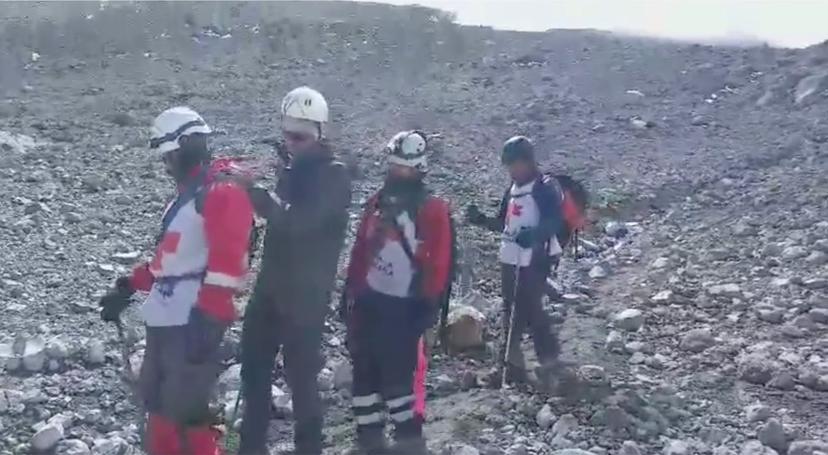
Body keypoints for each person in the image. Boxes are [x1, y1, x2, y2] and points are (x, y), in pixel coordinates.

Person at [99, 107, 254, 455]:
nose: (166, 166)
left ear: (187, 145)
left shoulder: (221, 192)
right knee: (159, 406)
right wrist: (128, 286)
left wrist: (209, 319)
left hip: (192, 322)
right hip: (169, 321)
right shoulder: (188, 197)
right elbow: (168, 261)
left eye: (169, 157)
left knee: (189, 415)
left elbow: (228, 265)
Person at [239, 86, 352, 455]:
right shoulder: (292, 170)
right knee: (252, 374)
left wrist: (255, 193)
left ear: (320, 134)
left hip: (305, 298)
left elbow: (299, 223)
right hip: (271, 290)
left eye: (299, 137)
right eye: (287, 135)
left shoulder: (335, 177)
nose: (292, 143)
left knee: (300, 382)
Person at [343, 131, 452, 455]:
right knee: (363, 375)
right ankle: (369, 441)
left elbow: (441, 260)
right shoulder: (377, 202)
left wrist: (429, 304)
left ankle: (409, 444)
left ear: (419, 169)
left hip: (404, 307)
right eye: (393, 165)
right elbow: (361, 250)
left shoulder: (432, 210)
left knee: (397, 382)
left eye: (402, 166)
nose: (396, 172)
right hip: (370, 301)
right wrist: (350, 292)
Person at [465, 135, 563, 387]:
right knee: (510, 309)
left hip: (535, 259)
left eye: (516, 164)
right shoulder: (512, 190)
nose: (512, 170)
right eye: (509, 165)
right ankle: (513, 365)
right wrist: (480, 219)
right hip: (510, 258)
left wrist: (534, 235)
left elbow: (554, 221)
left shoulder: (544, 187)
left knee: (530, 308)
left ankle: (547, 362)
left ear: (529, 162)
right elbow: (503, 223)